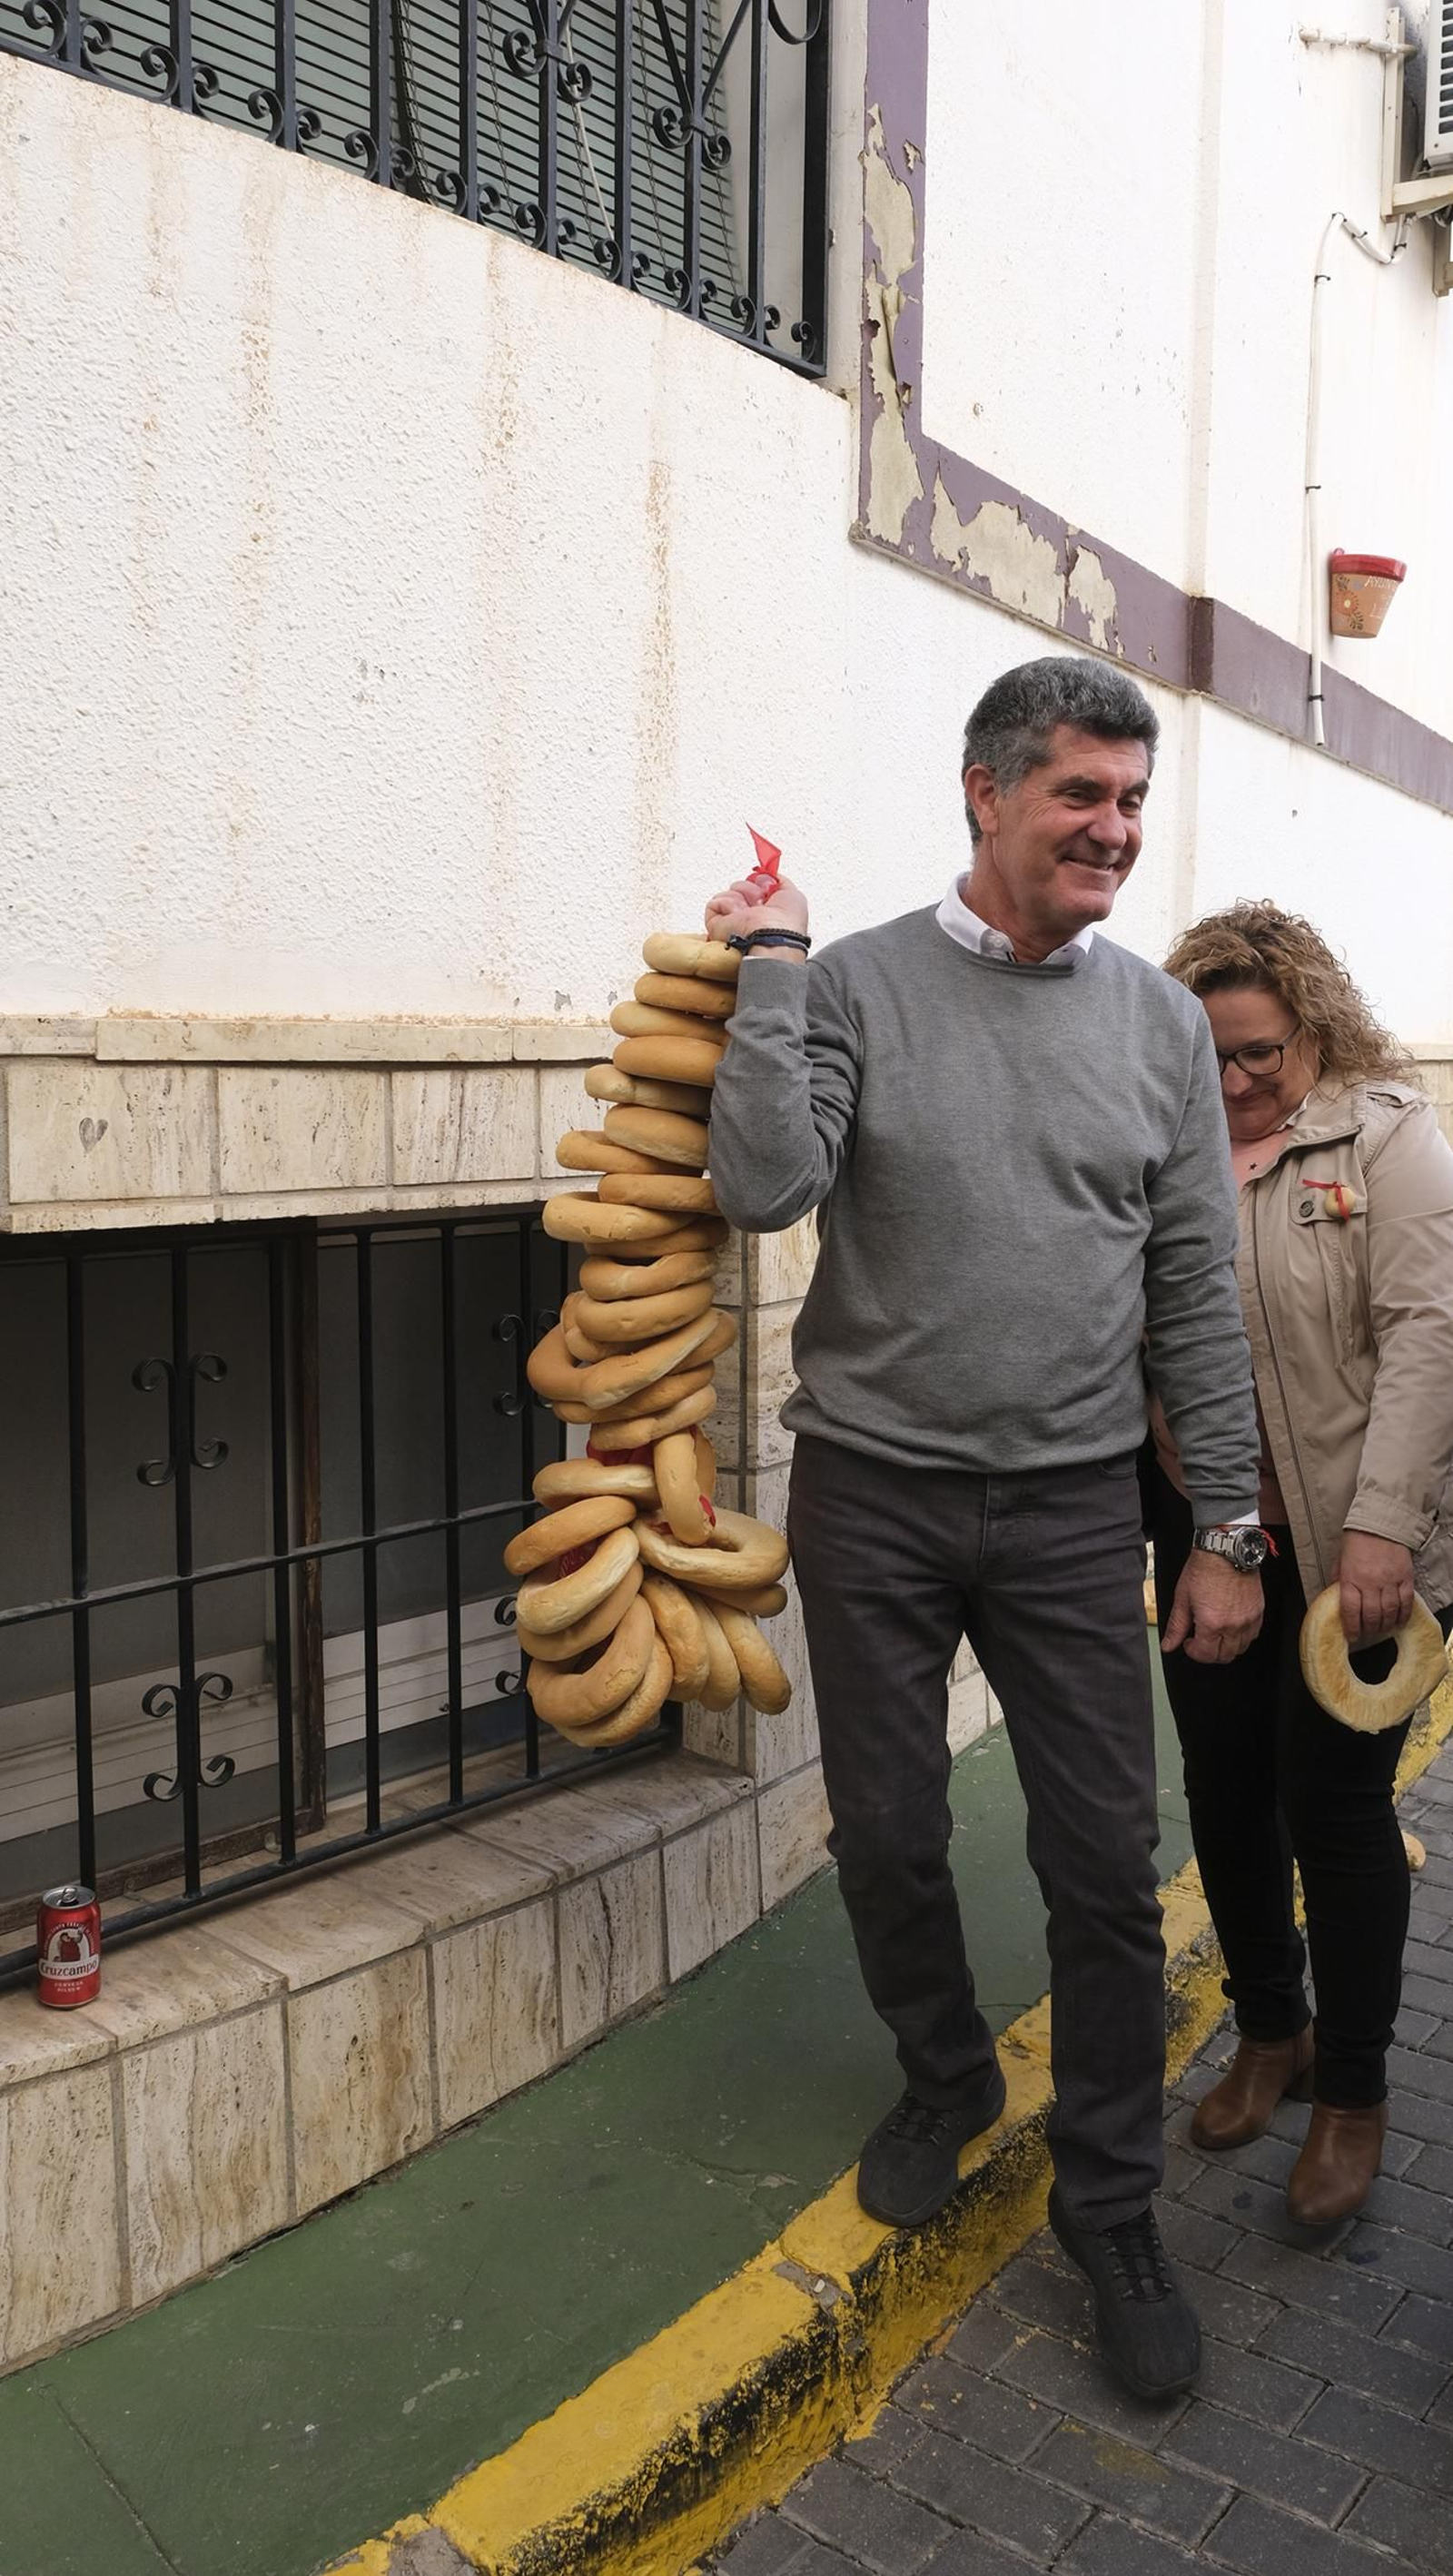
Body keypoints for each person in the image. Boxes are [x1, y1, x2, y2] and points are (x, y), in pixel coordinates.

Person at [705, 656, 1268, 2403]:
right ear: (988, 793)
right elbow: (760, 1185)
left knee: (1106, 1860)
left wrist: (1230, 1522)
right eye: (1083, 795)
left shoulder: (1162, 1024)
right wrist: (772, 970)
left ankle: (1108, 2198)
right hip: (871, 1489)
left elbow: (1190, 1277)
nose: (1115, 830)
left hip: (1073, 1500)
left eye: (1132, 803)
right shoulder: (859, 979)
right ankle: (945, 2074)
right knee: (882, 1831)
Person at [1149, 902, 1453, 2226]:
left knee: (1332, 1803)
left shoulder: (1385, 1137)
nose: (1232, 1081)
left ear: (1314, 1029)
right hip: (1215, 1534)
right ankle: (1271, 2029)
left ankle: (1354, 2091)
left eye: (1258, 1052)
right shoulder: (1163, 1149)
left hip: (1358, 1544)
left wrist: (1385, 1526)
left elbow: (1429, 1334)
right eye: (1207, 1053)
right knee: (1223, 1784)